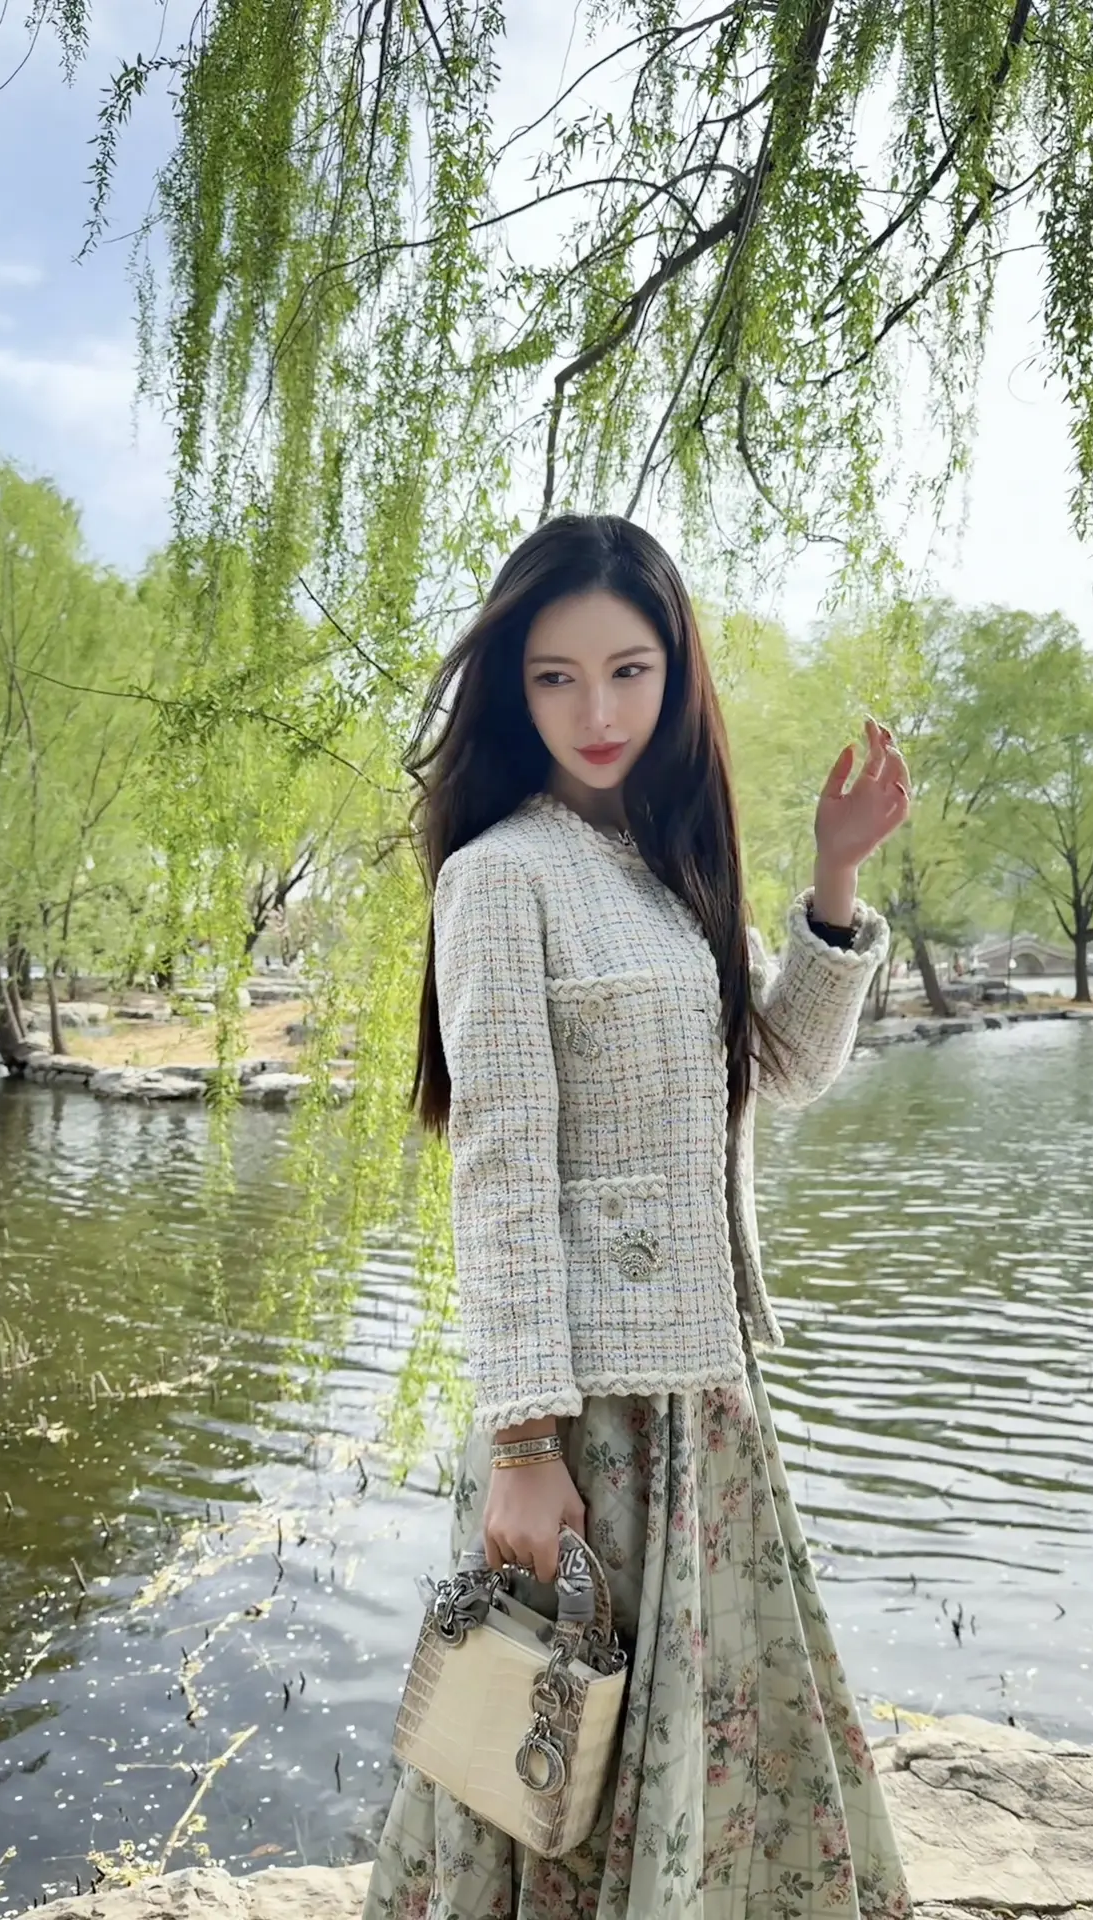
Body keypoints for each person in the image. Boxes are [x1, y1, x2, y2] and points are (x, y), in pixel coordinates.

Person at [361, 514, 913, 1919]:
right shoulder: (500, 874)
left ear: (677, 676)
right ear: (514, 690)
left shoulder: (673, 867)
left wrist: (835, 882)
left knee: (702, 1738)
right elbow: (500, 1165)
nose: (596, 712)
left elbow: (781, 1068)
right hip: (590, 1410)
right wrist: (523, 1442)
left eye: (628, 671)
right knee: (555, 1760)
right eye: (554, 677)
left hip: (707, 1393)